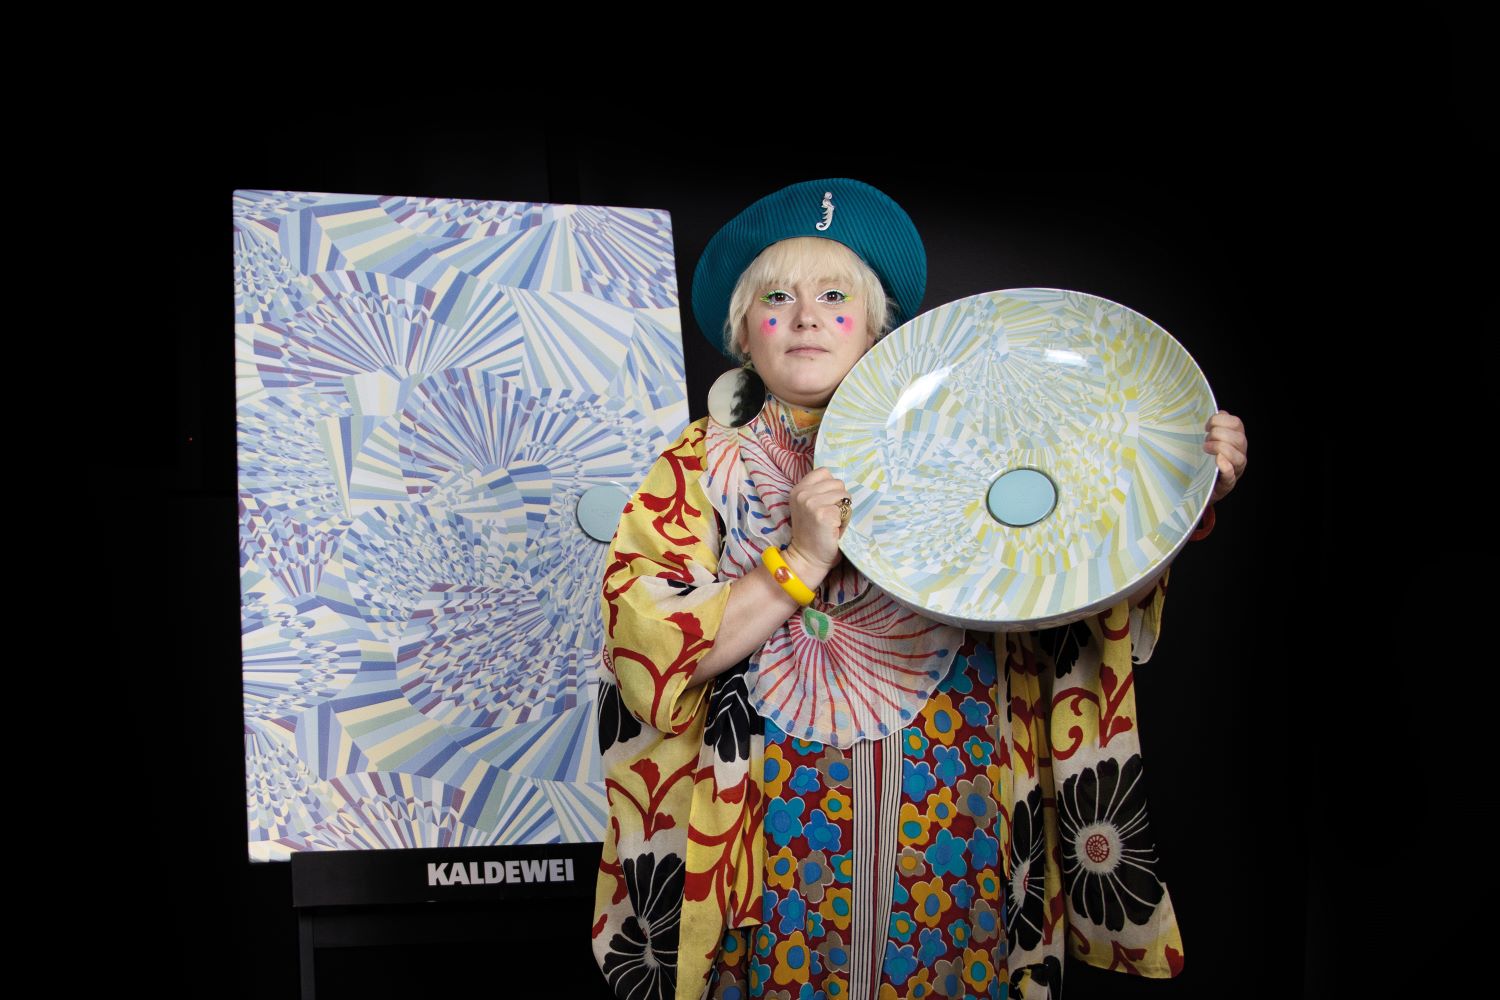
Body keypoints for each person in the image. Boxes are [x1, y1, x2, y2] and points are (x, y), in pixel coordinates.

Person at [591, 179, 1248, 1000]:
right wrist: (798, 560)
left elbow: (1077, 572)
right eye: (776, 298)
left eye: (836, 297)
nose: (806, 317)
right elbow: (649, 651)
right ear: (743, 335)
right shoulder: (693, 468)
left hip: (959, 783)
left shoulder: (974, 438)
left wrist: (1184, 485)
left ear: (877, 328)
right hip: (772, 801)